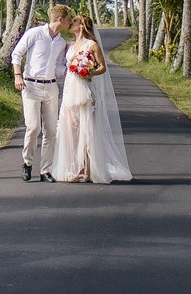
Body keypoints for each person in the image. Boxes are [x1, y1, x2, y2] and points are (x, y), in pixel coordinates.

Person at [55, 14, 133, 184]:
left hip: (85, 89)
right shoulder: (69, 45)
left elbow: (103, 67)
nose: (71, 23)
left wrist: (89, 72)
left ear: (81, 25)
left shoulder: (92, 45)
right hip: (69, 89)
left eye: (74, 21)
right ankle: (72, 168)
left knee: (87, 129)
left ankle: (87, 170)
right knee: (70, 130)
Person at [11, 4, 74, 182]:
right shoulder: (35, 33)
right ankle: (27, 163)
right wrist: (18, 76)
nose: (70, 22)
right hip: (31, 86)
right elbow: (17, 54)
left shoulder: (61, 42)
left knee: (51, 130)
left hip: (51, 88)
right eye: (69, 19)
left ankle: (45, 170)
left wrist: (74, 66)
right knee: (33, 127)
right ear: (60, 19)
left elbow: (59, 67)